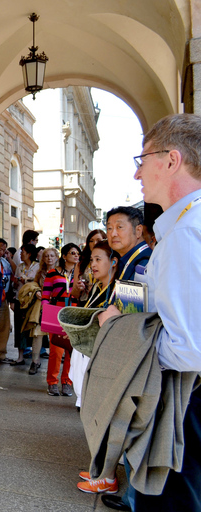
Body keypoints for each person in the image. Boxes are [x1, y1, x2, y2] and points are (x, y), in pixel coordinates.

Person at [93, 114, 201, 511]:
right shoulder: (184, 226)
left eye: (143, 159)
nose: (138, 172)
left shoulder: (188, 232)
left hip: (185, 399)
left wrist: (121, 340)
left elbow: (190, 348)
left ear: (171, 161)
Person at [69, 240, 118, 412]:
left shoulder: (117, 291)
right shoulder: (97, 287)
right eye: (91, 260)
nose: (93, 265)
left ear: (113, 261)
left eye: (98, 259)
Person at [41, 243, 82, 397]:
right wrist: (47, 313)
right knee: (56, 351)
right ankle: (52, 382)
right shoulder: (52, 273)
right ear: (64, 256)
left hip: (74, 314)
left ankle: (67, 381)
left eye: (77, 253)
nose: (76, 255)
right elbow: (45, 296)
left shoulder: (81, 274)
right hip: (56, 314)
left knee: (72, 351)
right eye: (72, 253)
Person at [28, 248, 59, 375]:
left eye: (52, 256)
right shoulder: (40, 273)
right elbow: (34, 285)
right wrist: (37, 292)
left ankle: (54, 365)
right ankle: (35, 362)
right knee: (38, 333)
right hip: (42, 307)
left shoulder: (61, 271)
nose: (49, 258)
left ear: (57, 257)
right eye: (46, 256)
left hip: (55, 307)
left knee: (54, 337)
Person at [10, 244, 39, 365]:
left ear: (30, 254)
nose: (21, 254)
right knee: (19, 328)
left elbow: (39, 282)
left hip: (32, 301)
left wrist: (27, 280)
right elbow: (15, 286)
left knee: (32, 328)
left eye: (23, 252)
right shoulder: (20, 267)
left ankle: (34, 357)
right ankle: (20, 356)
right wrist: (16, 282)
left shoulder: (38, 267)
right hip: (19, 300)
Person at [106, 206, 152, 282]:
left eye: (119, 227)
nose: (113, 234)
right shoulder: (125, 259)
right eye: (109, 228)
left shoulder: (146, 263)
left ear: (138, 230)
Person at [73, 229, 106, 303]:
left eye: (99, 240)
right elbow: (74, 294)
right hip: (84, 304)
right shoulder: (81, 264)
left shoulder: (109, 263)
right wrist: (78, 288)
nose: (95, 243)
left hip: (102, 303)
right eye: (91, 241)